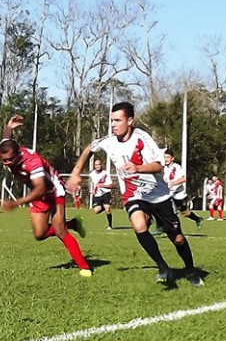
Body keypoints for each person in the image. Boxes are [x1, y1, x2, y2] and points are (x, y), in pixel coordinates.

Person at [66, 102, 204, 287]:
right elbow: (89, 148)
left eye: (117, 120)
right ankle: (163, 268)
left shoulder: (142, 139)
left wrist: (138, 168)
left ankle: (190, 269)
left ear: (130, 120)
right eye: (111, 121)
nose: (113, 124)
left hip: (159, 196)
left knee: (177, 238)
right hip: (134, 195)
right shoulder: (109, 141)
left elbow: (158, 165)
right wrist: (75, 173)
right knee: (139, 225)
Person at [0, 115, 92, 278]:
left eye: (10, 159)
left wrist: (16, 203)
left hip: (54, 191)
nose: (6, 163)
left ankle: (84, 267)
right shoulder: (8, 150)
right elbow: (6, 140)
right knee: (40, 235)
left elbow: (41, 189)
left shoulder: (32, 162)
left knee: (60, 231)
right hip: (38, 193)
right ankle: (74, 223)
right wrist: (9, 127)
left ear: (18, 154)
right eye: (3, 160)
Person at [163, 149, 203, 228]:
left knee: (185, 213)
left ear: (173, 158)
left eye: (168, 157)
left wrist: (173, 183)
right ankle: (164, 227)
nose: (166, 159)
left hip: (178, 194)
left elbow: (183, 179)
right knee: (167, 211)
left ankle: (197, 219)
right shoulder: (164, 168)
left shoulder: (176, 167)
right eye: (165, 157)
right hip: (169, 194)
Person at [89, 158, 114, 230]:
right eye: (96, 165)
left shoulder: (105, 174)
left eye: (99, 164)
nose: (97, 166)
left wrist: (103, 185)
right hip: (97, 195)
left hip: (106, 193)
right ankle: (105, 207)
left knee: (108, 209)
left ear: (101, 165)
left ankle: (110, 225)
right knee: (96, 210)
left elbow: (112, 185)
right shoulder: (92, 174)